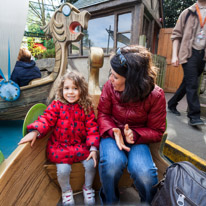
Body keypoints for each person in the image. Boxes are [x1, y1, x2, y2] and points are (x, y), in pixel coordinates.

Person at [97, 45, 166, 205]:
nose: (110, 80)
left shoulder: (156, 95)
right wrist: (114, 131)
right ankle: (110, 201)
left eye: (116, 77)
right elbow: (103, 114)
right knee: (111, 164)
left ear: (132, 81)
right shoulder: (109, 87)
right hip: (112, 134)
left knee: (145, 173)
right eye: (111, 74)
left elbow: (157, 131)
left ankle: (149, 202)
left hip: (138, 139)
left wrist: (135, 135)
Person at [18, 71, 100, 206]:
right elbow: (46, 119)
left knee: (91, 164)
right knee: (63, 170)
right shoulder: (57, 106)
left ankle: (88, 187)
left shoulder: (86, 107)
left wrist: (92, 148)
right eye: (67, 88)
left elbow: (92, 128)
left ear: (82, 90)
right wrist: (35, 131)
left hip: (80, 146)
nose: (71, 92)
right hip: (60, 146)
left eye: (75, 88)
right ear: (61, 90)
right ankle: (66, 191)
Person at [168, 0, 206, 126]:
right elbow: (176, 35)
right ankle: (194, 116)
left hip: (203, 55)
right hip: (189, 53)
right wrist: (174, 55)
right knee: (192, 84)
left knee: (187, 83)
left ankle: (172, 103)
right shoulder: (187, 12)